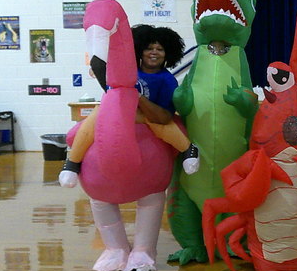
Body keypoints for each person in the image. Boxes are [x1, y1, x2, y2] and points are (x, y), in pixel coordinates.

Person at [61, 25, 198, 183]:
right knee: (99, 111)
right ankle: (72, 161)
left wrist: (138, 97)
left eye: (159, 49)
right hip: (120, 114)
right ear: (140, 50)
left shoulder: (167, 80)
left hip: (147, 118)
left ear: (167, 53)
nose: (154, 52)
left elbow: (164, 117)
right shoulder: (128, 69)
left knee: (156, 122)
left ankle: (188, 148)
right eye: (148, 48)